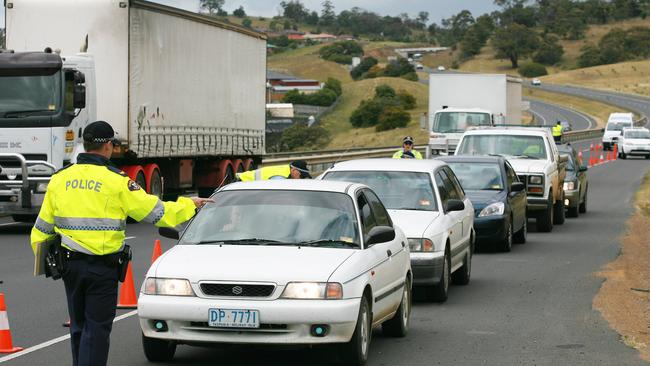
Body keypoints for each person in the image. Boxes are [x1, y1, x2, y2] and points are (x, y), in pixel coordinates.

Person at [30, 121, 212, 366]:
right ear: (107, 146)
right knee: (96, 331)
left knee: (79, 328)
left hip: (70, 267)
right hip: (101, 268)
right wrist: (189, 205)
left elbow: (41, 229)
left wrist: (47, 264)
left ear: (86, 144)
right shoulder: (116, 181)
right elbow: (154, 212)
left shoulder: (60, 179)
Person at [236, 160, 312, 181]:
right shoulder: (280, 178)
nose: (301, 179)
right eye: (301, 176)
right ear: (293, 170)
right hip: (242, 183)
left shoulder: (285, 171)